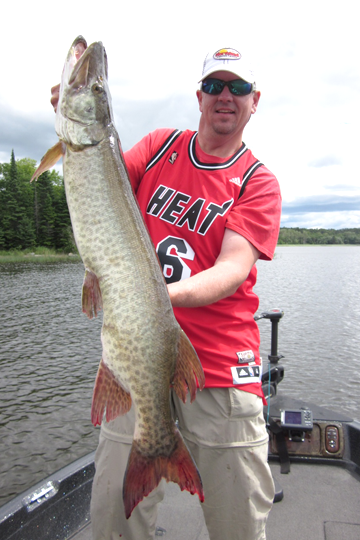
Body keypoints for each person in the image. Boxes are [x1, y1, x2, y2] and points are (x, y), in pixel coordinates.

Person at [52, 46, 281, 540]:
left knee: (238, 524)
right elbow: (104, 180)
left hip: (218, 367)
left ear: (253, 100)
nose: (226, 96)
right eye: (215, 86)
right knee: (114, 519)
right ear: (199, 96)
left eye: (237, 87)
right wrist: (74, 120)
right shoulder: (158, 147)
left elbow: (232, 269)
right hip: (131, 355)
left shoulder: (257, 182)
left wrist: (154, 296)